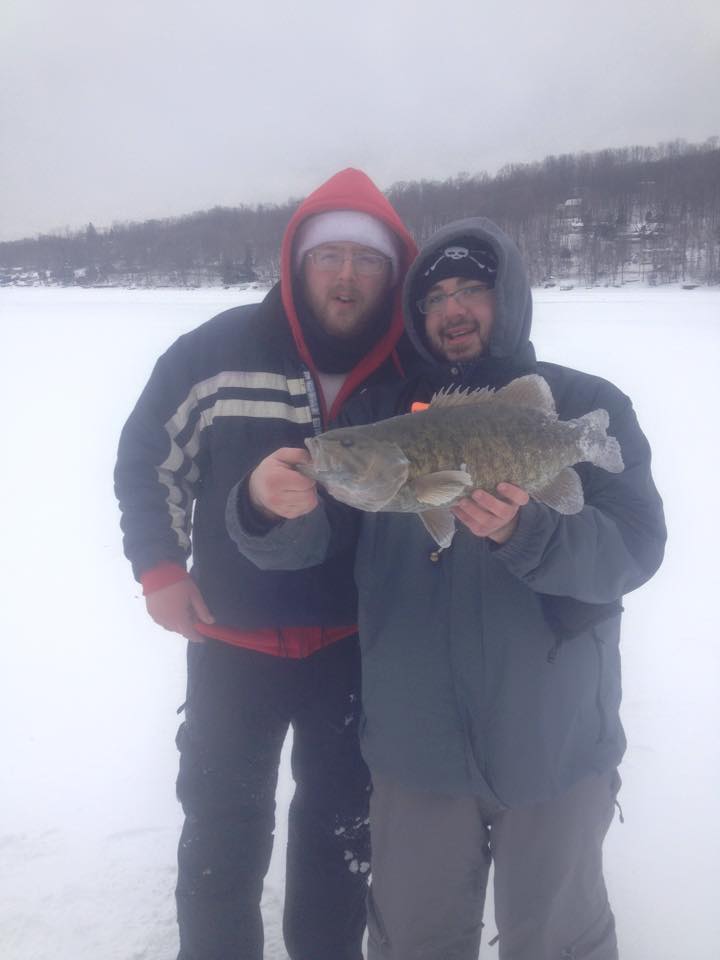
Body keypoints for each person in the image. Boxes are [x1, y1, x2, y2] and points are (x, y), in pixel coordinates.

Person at [228, 217, 667, 960]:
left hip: (553, 744)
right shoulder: (375, 420)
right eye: (433, 298)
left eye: (472, 289)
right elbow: (318, 554)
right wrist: (266, 512)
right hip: (415, 751)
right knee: (415, 942)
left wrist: (528, 533)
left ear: (512, 297)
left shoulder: (581, 403)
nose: (453, 308)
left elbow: (634, 550)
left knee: (560, 941)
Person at [114, 167, 418, 960]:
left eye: (368, 259)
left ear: (393, 275)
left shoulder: (408, 379)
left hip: (355, 647)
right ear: (297, 263)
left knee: (338, 840)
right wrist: (160, 568)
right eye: (329, 256)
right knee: (222, 840)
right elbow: (150, 460)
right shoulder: (214, 354)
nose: (347, 275)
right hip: (233, 648)